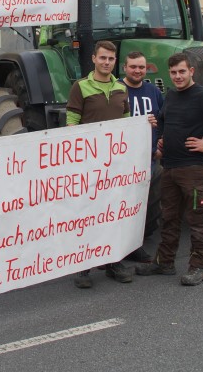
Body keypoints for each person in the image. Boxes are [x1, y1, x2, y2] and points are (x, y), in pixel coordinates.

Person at [136, 53, 203, 286]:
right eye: (173, 72)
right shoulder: (171, 95)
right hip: (170, 167)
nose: (178, 76)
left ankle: (198, 267)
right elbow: (162, 118)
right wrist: (162, 137)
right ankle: (165, 262)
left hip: (193, 169)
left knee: (197, 219)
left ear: (191, 71)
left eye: (182, 72)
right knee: (169, 218)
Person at [66, 40, 132, 288]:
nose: (106, 62)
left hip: (115, 164)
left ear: (115, 62)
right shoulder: (80, 87)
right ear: (93, 58)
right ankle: (83, 266)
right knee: (87, 214)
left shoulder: (120, 87)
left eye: (111, 59)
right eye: (102, 58)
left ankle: (113, 261)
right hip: (88, 165)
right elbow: (71, 122)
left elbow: (127, 122)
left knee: (113, 213)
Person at [121, 51, 165, 263]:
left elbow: (163, 118)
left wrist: (160, 143)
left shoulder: (153, 91)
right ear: (125, 68)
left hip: (149, 158)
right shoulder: (118, 90)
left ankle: (138, 240)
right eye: (133, 67)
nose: (137, 71)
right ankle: (123, 246)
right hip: (125, 160)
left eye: (141, 67)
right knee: (126, 203)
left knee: (148, 202)